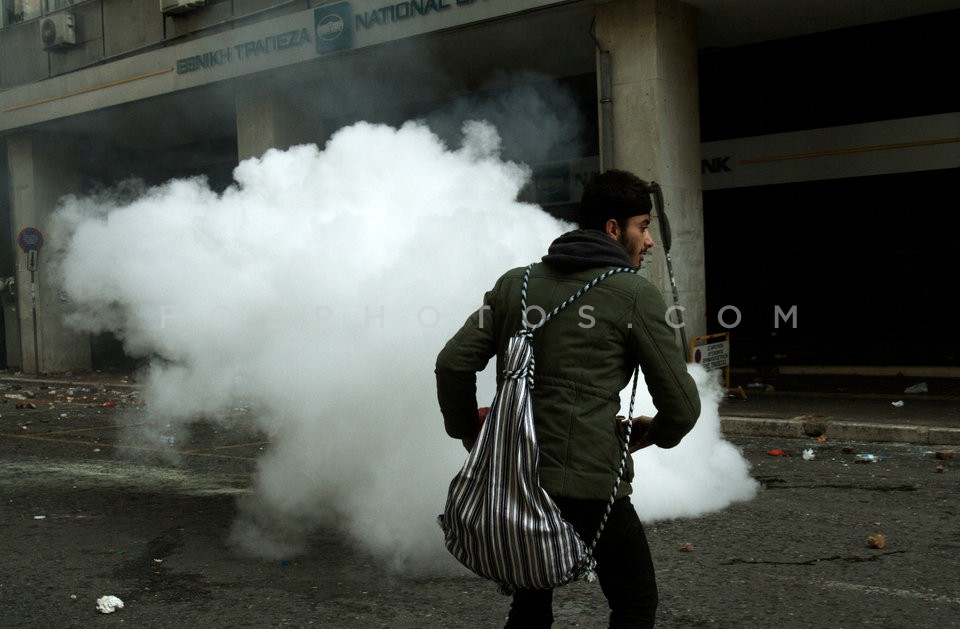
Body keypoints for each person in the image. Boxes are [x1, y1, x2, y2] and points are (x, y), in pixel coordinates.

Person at [435, 168, 701, 628]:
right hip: (592, 485)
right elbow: (683, 406)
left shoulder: (514, 284)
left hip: (518, 478)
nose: (650, 241)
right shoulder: (634, 294)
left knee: (531, 603)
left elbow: (452, 364)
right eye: (644, 226)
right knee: (634, 604)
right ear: (614, 229)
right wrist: (651, 435)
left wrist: (467, 432)